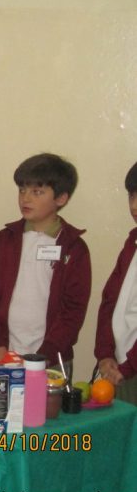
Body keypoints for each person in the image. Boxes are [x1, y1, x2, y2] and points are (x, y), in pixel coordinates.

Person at [0, 153, 91, 376]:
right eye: (22, 190)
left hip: (51, 361)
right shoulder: (3, 241)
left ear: (61, 198)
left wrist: (46, 354)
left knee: (43, 402)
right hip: (3, 355)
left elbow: (74, 310)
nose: (25, 199)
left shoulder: (73, 248)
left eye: (37, 192)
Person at [94, 162, 137, 405]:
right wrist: (105, 354)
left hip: (130, 368)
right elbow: (109, 301)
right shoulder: (132, 243)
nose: (134, 206)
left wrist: (129, 366)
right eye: (131, 196)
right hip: (119, 365)